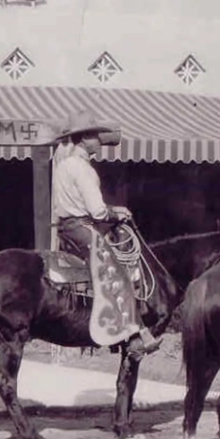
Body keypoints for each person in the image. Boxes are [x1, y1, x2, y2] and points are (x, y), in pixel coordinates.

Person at [52, 109, 161, 358]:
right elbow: (98, 212)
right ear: (83, 138)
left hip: (70, 226)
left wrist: (111, 211)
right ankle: (132, 335)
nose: (99, 141)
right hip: (81, 226)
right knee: (115, 270)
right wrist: (118, 213)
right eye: (94, 136)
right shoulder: (82, 169)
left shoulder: (64, 164)